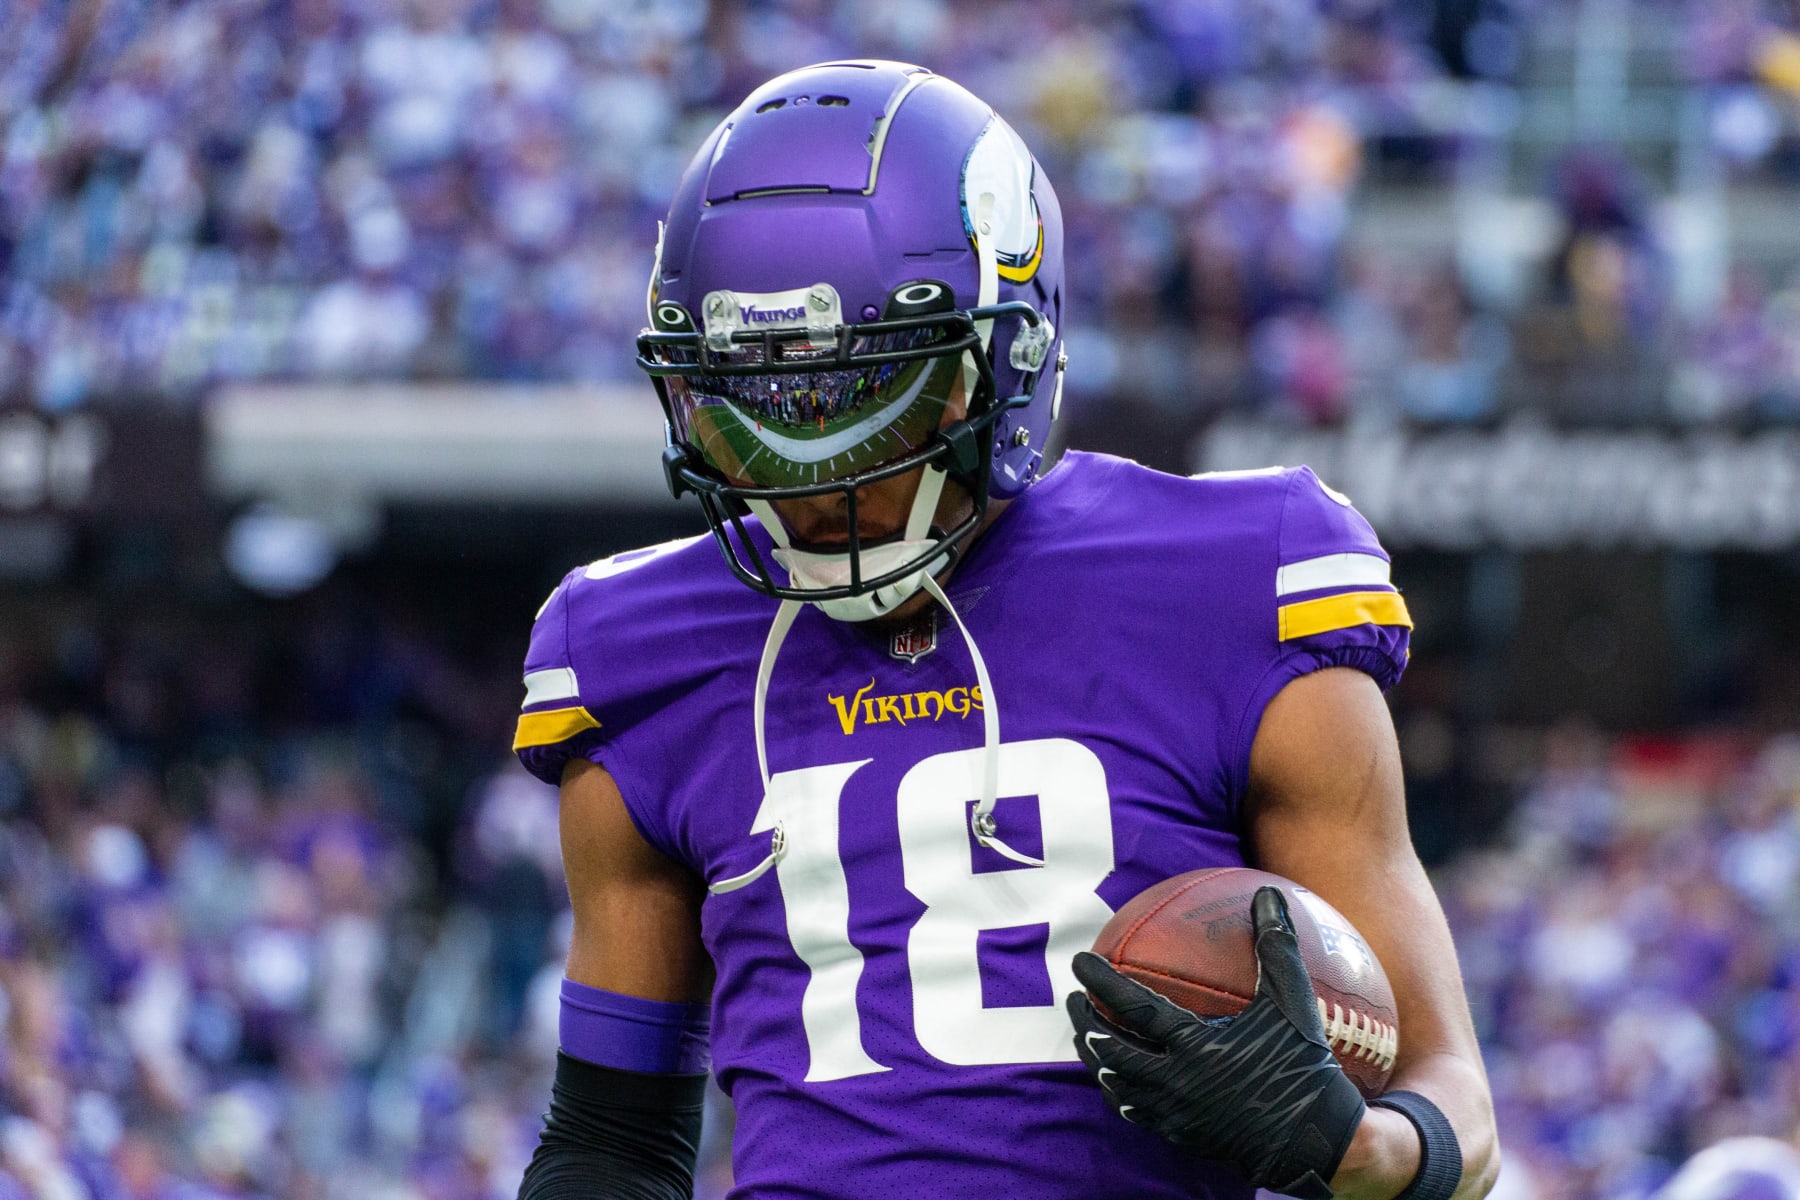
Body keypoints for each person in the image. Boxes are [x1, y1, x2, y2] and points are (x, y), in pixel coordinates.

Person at [511, 59, 1497, 1200]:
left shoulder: (1235, 581)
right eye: (760, 411)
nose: (811, 477)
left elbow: (1456, 1104)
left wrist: (1360, 1147)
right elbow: (610, 1146)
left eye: (865, 398)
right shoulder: (636, 651)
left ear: (1008, 355)